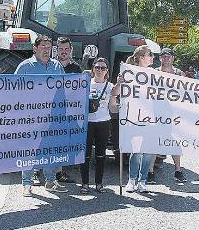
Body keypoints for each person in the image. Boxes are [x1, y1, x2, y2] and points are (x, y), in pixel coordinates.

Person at [15, 35, 68, 195]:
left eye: (48, 46)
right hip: (31, 117)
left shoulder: (57, 66)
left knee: (50, 148)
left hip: (52, 115)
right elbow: (11, 90)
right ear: (35, 48)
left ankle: (50, 181)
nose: (46, 49)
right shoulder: (25, 66)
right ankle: (27, 183)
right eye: (43, 46)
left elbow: (64, 88)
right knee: (30, 149)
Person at [112, 45, 156, 193]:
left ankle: (143, 180)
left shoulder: (154, 74)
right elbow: (115, 93)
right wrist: (120, 82)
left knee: (148, 150)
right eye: (150, 54)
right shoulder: (128, 73)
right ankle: (132, 180)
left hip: (150, 118)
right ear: (142, 57)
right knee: (136, 150)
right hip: (134, 117)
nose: (152, 57)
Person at [152, 48, 186, 183]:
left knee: (175, 142)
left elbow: (186, 92)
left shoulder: (179, 74)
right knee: (154, 141)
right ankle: (150, 172)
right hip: (156, 112)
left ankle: (178, 171)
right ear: (160, 58)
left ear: (173, 58)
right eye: (163, 56)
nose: (166, 58)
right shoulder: (154, 73)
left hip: (174, 114)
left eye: (168, 56)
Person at [81, 58, 113, 194]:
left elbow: (113, 107)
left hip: (104, 123)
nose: (100, 70)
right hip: (87, 123)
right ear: (93, 69)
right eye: (98, 67)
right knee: (85, 155)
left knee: (101, 155)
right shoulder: (85, 83)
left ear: (107, 71)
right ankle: (84, 183)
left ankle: (99, 183)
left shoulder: (111, 86)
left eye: (103, 68)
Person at [54, 37, 81, 183]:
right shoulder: (50, 65)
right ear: (56, 50)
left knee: (62, 141)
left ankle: (59, 172)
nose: (63, 52)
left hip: (67, 111)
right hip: (49, 110)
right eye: (60, 49)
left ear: (71, 50)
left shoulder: (76, 68)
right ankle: (36, 171)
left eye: (66, 49)